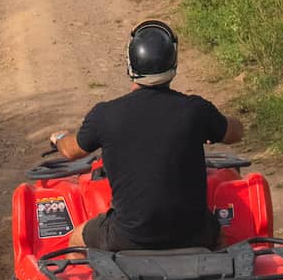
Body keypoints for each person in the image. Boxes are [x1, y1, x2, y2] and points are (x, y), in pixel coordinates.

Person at [49, 20, 245, 252]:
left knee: (76, 238)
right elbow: (235, 133)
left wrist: (59, 138)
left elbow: (72, 150)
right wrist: (216, 126)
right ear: (173, 63)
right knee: (220, 237)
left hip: (127, 236)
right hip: (193, 234)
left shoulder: (105, 115)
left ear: (130, 65)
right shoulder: (196, 110)